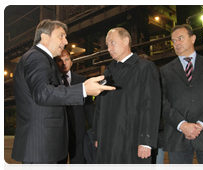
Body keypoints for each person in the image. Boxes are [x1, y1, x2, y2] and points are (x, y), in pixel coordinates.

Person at [11, 19, 115, 170]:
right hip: (41, 145)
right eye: (61, 36)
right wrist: (83, 90)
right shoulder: (37, 57)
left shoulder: (42, 59)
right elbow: (42, 93)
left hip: (45, 145)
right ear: (45, 37)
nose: (65, 41)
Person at [160, 24, 203, 170]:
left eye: (180, 38)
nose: (176, 43)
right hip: (177, 136)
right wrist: (182, 125)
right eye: (173, 41)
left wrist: (202, 124)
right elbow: (161, 101)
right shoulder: (164, 71)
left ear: (193, 38)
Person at [92, 27, 161, 170]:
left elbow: (151, 105)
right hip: (107, 140)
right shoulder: (108, 71)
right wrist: (97, 135)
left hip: (132, 140)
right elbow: (99, 106)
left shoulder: (144, 68)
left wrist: (146, 141)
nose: (109, 48)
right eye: (107, 44)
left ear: (126, 40)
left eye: (112, 43)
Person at [54, 49, 95, 170]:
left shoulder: (82, 80)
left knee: (78, 164)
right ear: (55, 63)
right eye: (59, 60)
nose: (63, 63)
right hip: (59, 132)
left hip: (78, 131)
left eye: (66, 59)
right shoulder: (52, 82)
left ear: (72, 62)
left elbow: (89, 107)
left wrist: (94, 130)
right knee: (58, 165)